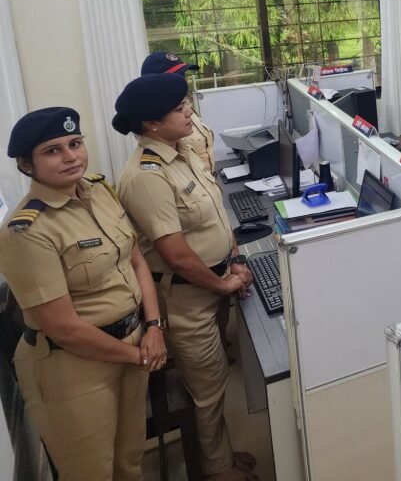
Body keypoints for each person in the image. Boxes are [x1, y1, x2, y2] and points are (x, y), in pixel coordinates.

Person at [0, 107, 167, 481]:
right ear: (26, 165)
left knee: (130, 460)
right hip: (73, 367)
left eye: (75, 143)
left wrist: (153, 326)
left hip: (133, 341)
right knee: (91, 472)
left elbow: (136, 260)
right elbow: (63, 329)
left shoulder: (100, 190)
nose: (70, 156)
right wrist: (136, 355)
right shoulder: (26, 231)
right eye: (52, 150)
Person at [113, 74, 257, 481]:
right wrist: (222, 284)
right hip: (186, 297)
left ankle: (220, 453)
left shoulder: (183, 151)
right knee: (207, 388)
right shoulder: (146, 175)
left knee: (215, 376)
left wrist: (233, 259)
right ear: (151, 124)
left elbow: (214, 215)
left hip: (212, 282)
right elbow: (175, 253)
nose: (190, 111)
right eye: (179, 108)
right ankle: (217, 469)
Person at [141, 51, 217, 175]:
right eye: (176, 77)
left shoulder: (186, 105)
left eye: (184, 75)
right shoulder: (159, 118)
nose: (184, 81)